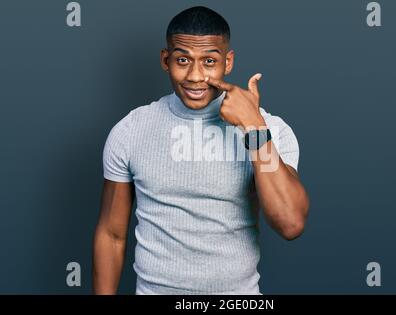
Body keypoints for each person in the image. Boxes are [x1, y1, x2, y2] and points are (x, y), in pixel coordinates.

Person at [93, 6, 309, 295]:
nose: (195, 76)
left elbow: (291, 223)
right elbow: (111, 234)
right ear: (165, 60)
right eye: (183, 60)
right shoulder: (131, 129)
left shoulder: (269, 128)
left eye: (209, 61)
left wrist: (253, 126)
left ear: (228, 62)